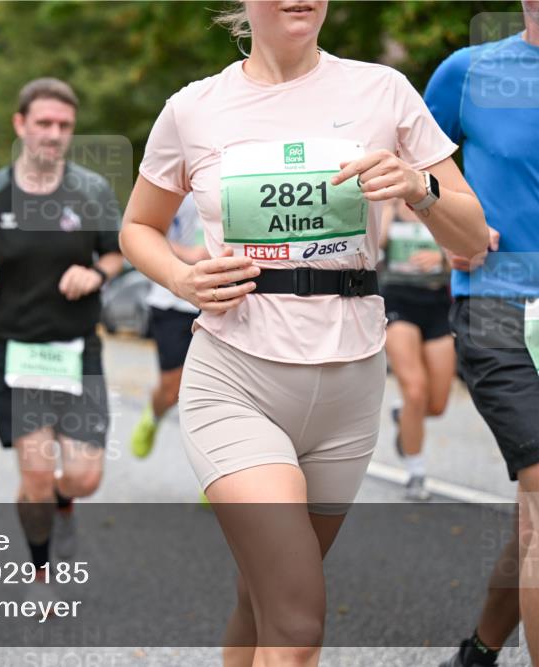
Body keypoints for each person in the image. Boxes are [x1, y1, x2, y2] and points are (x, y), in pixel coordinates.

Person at [119, 2, 488, 663]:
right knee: (295, 620)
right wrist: (182, 279)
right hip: (235, 375)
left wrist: (420, 185)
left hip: (349, 386)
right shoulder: (193, 108)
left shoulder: (383, 91)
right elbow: (138, 227)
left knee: (260, 597)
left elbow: (471, 237)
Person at [0, 78, 124, 573]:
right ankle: (41, 571)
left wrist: (94, 272)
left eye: (64, 125)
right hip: (15, 353)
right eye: (44, 123)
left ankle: (64, 504)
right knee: (35, 477)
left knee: (84, 477)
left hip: (77, 351)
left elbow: (117, 253)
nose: (54, 134)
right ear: (20, 125)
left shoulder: (91, 191)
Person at [423, 3, 539, 665]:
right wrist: (450, 221)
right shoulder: (468, 73)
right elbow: (418, 165)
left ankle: (480, 651)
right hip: (500, 304)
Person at [380, 198, 455, 501]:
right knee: (415, 391)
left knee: (436, 405)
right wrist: (388, 205)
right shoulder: (389, 206)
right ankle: (416, 473)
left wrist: (439, 256)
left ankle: (404, 415)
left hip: (437, 303)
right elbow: (376, 244)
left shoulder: (439, 206)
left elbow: (465, 253)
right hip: (397, 301)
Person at [131, 194, 207, 459]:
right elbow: (140, 232)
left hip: (223, 297)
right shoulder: (177, 181)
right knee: (173, 390)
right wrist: (190, 254)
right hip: (173, 301)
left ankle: (218, 471)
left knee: (218, 392)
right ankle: (153, 416)